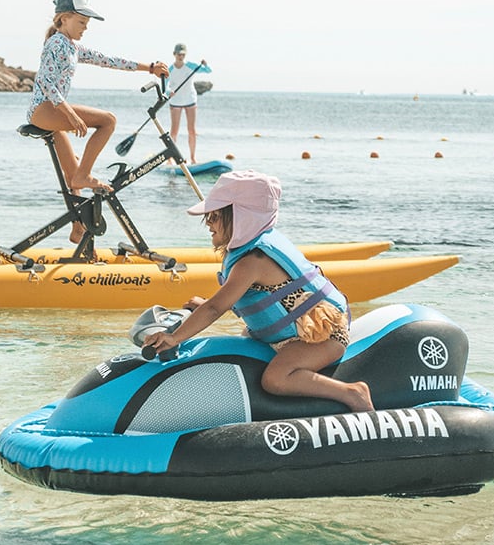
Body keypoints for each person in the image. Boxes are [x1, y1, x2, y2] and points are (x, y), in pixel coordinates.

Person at [143, 170, 374, 412]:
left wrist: (175, 337)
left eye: (214, 215)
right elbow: (254, 299)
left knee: (275, 379)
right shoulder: (250, 250)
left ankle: (353, 393)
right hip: (292, 333)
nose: (208, 222)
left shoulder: (254, 259)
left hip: (321, 337)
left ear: (243, 218)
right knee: (244, 340)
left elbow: (215, 308)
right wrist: (203, 307)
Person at [27, 0, 169, 201]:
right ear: (64, 19)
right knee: (108, 121)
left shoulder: (72, 47)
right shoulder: (56, 43)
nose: (85, 28)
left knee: (72, 176)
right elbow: (45, 82)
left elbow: (108, 60)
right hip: (45, 109)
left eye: (87, 24)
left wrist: (149, 68)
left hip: (50, 111)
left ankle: (78, 229)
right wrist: (71, 115)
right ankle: (85, 175)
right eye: (82, 22)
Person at [166, 43, 211, 164]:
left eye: (183, 54)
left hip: (190, 100)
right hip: (175, 102)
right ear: (174, 54)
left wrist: (205, 64)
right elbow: (165, 86)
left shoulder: (191, 66)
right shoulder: (170, 69)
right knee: (174, 131)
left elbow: (208, 71)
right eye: (178, 54)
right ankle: (170, 158)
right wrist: (169, 91)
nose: (180, 56)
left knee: (191, 130)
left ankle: (192, 158)